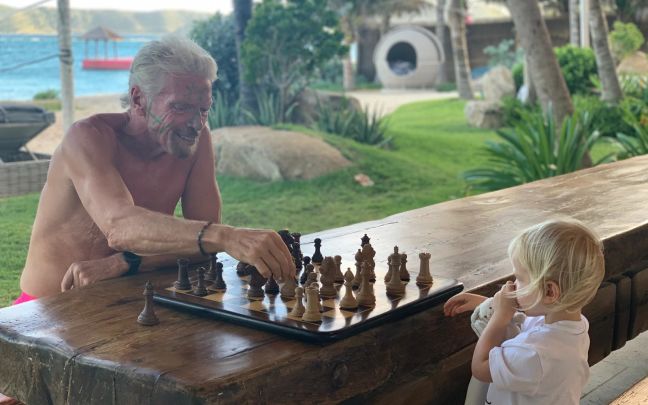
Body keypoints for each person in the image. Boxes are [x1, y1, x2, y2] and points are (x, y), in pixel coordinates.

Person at [15, 35, 295, 304]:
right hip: (46, 307)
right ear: (138, 100)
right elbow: (119, 226)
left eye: (203, 109)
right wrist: (226, 235)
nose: (196, 123)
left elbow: (202, 248)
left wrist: (126, 262)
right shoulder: (88, 137)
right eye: (181, 107)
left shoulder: (196, 141)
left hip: (124, 304)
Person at [444, 218, 605, 405]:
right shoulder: (570, 326)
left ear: (549, 291)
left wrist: (499, 317)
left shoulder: (534, 354)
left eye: (520, 278)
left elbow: (480, 368)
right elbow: (522, 322)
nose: (512, 284)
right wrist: (486, 303)